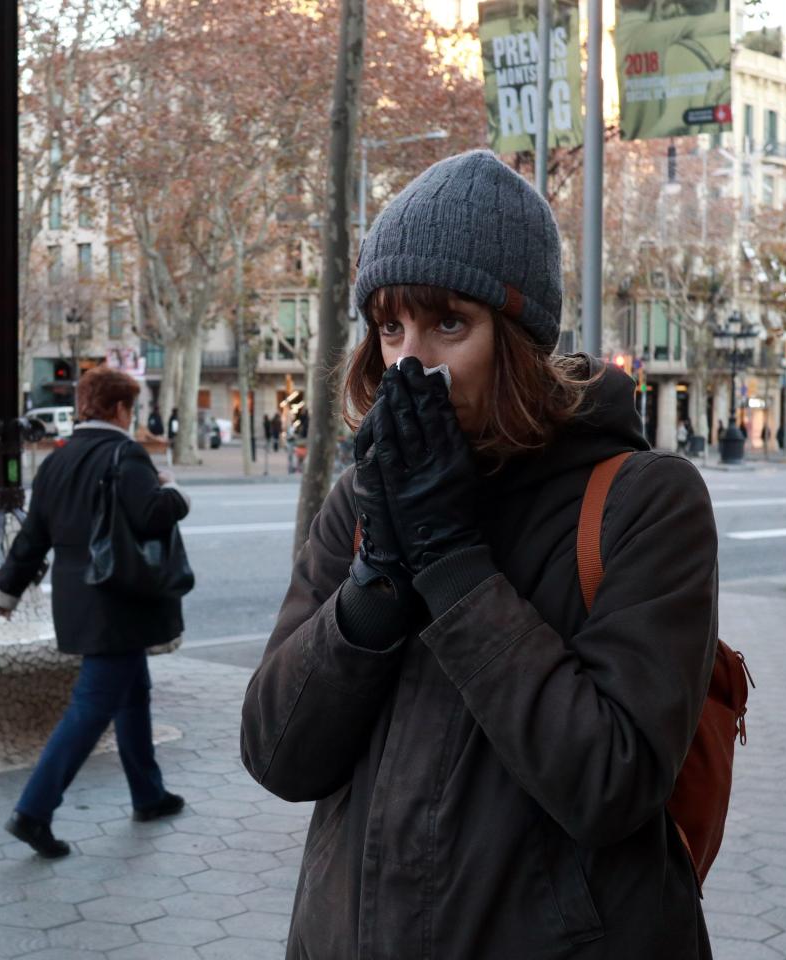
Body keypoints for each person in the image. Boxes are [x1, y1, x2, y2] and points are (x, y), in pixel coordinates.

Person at [240, 151, 718, 958]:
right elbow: (277, 753)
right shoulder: (361, 501)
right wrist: (375, 586)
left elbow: (611, 784)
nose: (410, 362)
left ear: (522, 339)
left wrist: (456, 565)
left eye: (448, 324)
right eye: (390, 328)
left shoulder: (645, 499)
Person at [0, 365, 191, 859]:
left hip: (78, 601)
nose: (132, 416)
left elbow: (34, 536)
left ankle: (149, 794)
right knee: (92, 706)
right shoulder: (126, 454)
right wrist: (173, 491)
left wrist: (6, 593)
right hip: (117, 602)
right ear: (120, 409)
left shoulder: (57, 462)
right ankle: (33, 811)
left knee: (133, 691)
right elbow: (151, 514)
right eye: (132, 408)